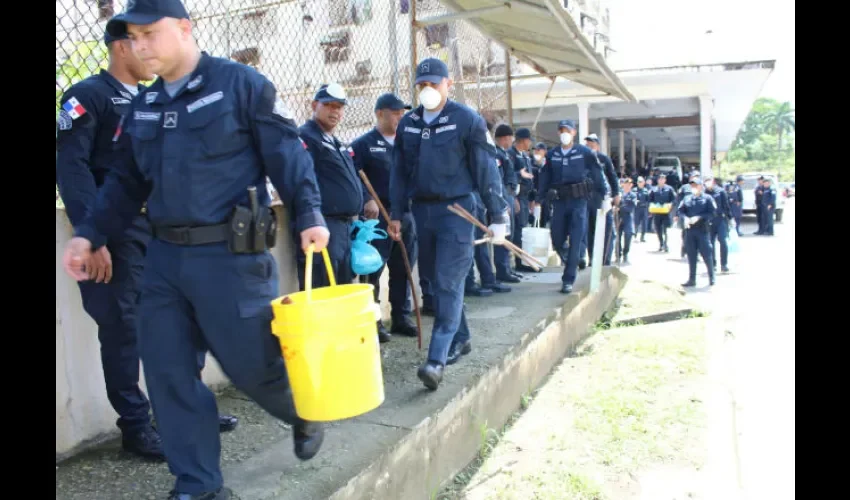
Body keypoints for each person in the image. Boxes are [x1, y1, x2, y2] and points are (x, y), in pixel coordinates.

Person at [61, 2, 329, 498]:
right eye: (132, 38)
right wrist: (89, 233)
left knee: (251, 364)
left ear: (185, 27)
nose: (140, 46)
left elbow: (289, 156)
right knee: (167, 372)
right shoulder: (143, 106)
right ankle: (198, 485)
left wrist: (310, 216)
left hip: (230, 258)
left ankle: (302, 409)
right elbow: (123, 183)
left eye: (149, 34)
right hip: (163, 259)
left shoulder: (242, 85)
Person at [55, 25, 237, 463]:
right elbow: (72, 167)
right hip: (114, 234)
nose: (151, 53)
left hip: (163, 230)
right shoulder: (88, 95)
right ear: (123, 47)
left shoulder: (153, 100)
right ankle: (136, 427)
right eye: (143, 44)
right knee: (122, 330)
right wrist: (90, 234)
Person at [389, 58, 507, 390]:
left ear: (448, 84)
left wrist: (498, 215)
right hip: (422, 212)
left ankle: (436, 359)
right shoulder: (409, 123)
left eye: (434, 84)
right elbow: (399, 171)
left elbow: (486, 169)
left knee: (448, 282)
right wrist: (397, 213)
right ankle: (462, 337)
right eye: (422, 85)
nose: (428, 90)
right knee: (433, 281)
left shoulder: (466, 120)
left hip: (458, 211)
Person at [350, 93, 419, 343]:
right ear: (380, 113)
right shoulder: (363, 144)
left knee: (404, 267)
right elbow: (353, 176)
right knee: (374, 269)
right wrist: (367, 198)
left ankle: (401, 316)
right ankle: (374, 320)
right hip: (377, 217)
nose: (401, 117)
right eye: (396, 112)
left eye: (403, 113)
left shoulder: (408, 144)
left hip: (406, 214)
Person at [296, 83, 361, 290]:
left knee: (342, 287)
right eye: (329, 105)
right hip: (322, 223)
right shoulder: (306, 137)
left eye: (339, 107)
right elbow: (300, 179)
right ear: (315, 105)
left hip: (342, 227)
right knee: (323, 287)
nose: (335, 111)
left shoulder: (336, 142)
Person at [539, 120, 610, 294]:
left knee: (576, 239)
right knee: (556, 238)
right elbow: (544, 176)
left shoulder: (584, 152)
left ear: (574, 133)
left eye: (567, 130)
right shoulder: (552, 154)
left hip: (579, 202)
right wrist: (540, 197)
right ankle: (573, 258)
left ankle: (568, 278)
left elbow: (597, 173)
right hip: (559, 201)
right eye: (562, 130)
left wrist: (605, 194)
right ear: (558, 133)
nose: (564, 133)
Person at [581, 133, 619, 267]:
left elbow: (612, 177)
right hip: (587, 198)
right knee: (590, 230)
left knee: (607, 230)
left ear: (597, 144)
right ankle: (593, 259)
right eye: (587, 143)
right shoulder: (583, 159)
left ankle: (605, 260)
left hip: (602, 198)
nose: (589, 145)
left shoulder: (604, 159)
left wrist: (616, 194)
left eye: (591, 143)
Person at [492, 124, 521, 284]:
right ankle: (502, 270)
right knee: (503, 235)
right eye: (510, 138)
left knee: (510, 233)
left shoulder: (504, 154)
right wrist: (504, 202)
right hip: (503, 197)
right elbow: (498, 180)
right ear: (504, 138)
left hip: (510, 195)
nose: (512, 141)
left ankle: (508, 268)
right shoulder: (497, 155)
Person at [675, 177, 716, 287]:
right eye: (692, 186)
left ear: (701, 186)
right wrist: (685, 218)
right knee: (691, 255)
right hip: (689, 230)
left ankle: (711, 277)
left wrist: (699, 217)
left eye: (696, 185)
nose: (694, 188)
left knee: (707, 254)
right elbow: (680, 210)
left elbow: (712, 213)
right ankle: (692, 279)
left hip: (702, 230)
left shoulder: (707, 198)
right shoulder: (687, 198)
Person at [509, 128, 539, 272]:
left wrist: (532, 201)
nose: (530, 143)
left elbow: (530, 181)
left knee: (523, 229)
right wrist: (513, 198)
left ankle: (523, 260)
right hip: (517, 197)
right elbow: (509, 178)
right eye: (529, 140)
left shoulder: (526, 157)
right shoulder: (511, 155)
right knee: (517, 231)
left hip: (526, 197)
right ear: (523, 140)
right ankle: (518, 262)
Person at [705, 176, 733, 273]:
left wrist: (730, 218)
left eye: (709, 181)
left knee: (723, 241)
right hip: (709, 220)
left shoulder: (720, 191)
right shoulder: (704, 193)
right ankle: (713, 264)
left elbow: (726, 205)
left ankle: (724, 264)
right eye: (706, 182)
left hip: (720, 219)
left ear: (713, 182)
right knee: (710, 243)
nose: (708, 183)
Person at [649, 173, 676, 252]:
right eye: (660, 179)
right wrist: (651, 207)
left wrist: (671, 204)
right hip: (657, 212)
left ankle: (666, 244)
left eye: (663, 179)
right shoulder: (653, 189)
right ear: (658, 180)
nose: (661, 181)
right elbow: (650, 200)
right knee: (658, 229)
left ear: (665, 180)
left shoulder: (669, 189)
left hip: (666, 212)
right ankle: (661, 243)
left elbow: (674, 199)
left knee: (666, 229)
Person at [617, 178, 638, 264]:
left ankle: (626, 253)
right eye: (626, 183)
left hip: (627, 217)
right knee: (617, 236)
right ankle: (618, 253)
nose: (627, 185)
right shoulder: (619, 193)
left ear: (631, 185)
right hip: (618, 217)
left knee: (628, 235)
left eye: (629, 184)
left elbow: (632, 206)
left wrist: (620, 208)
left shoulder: (633, 195)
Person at [531, 142, 551, 227]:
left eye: (539, 150)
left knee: (543, 220)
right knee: (533, 221)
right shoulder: (530, 162)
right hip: (533, 196)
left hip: (545, 196)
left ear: (544, 151)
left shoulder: (548, 163)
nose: (536, 152)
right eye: (535, 150)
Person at [634, 176, 651, 242]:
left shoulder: (646, 190)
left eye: (641, 182)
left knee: (644, 224)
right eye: (639, 182)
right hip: (637, 209)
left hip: (644, 209)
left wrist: (649, 210)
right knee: (636, 223)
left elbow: (648, 200)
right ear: (637, 183)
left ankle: (642, 237)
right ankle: (635, 236)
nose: (640, 183)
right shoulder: (634, 190)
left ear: (644, 183)